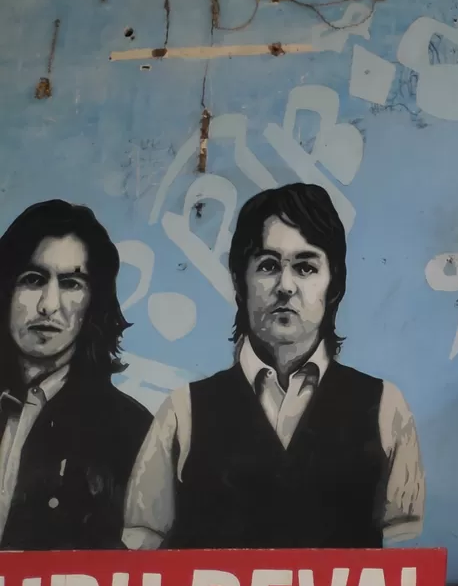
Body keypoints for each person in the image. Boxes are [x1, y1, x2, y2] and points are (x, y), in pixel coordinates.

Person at [122, 182, 425, 549]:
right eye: (267, 266)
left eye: (306, 267)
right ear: (239, 281)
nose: (285, 286)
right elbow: (140, 557)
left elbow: (406, 565)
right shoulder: (182, 413)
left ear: (335, 285)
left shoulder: (386, 408)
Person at [0, 200, 152, 550]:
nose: (48, 305)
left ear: (93, 303)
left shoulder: (130, 432)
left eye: (70, 283)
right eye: (33, 279)